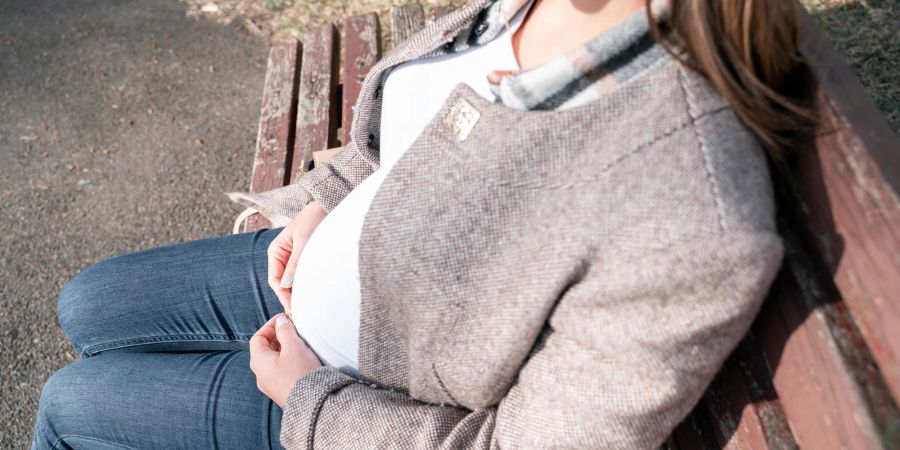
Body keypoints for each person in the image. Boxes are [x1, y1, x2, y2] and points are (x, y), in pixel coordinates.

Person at [31, 0, 818, 448]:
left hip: (346, 395)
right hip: (313, 263)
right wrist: (325, 200)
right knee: (87, 304)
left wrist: (312, 399)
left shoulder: (690, 212)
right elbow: (406, 135)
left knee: (70, 408)